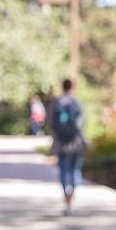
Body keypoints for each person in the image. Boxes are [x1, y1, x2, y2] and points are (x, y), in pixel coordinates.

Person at [49, 79, 87, 214]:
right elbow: (82, 124)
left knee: (63, 169)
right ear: (71, 87)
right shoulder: (76, 102)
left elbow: (51, 123)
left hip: (61, 140)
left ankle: (66, 196)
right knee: (75, 169)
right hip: (75, 140)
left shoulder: (57, 102)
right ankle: (71, 196)